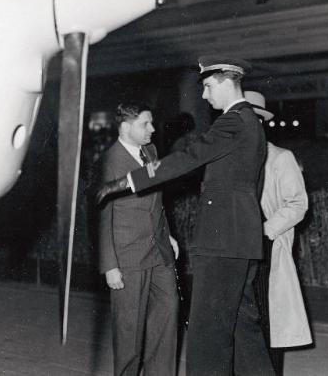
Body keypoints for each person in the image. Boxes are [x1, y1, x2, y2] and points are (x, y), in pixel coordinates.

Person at [97, 56, 274, 376]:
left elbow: (190, 156)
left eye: (207, 87)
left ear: (224, 81)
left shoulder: (233, 121)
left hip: (223, 240)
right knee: (242, 326)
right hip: (241, 237)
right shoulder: (251, 125)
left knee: (209, 331)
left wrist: (127, 181)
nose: (204, 96)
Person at [98, 102, 180, 376]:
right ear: (125, 127)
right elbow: (102, 216)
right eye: (145, 124)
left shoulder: (151, 152)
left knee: (167, 318)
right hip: (128, 257)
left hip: (159, 252)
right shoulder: (108, 162)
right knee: (129, 332)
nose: (152, 129)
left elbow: (158, 202)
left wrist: (168, 236)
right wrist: (110, 265)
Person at [245, 91, 313, 374]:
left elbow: (298, 203)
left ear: (259, 122)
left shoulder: (281, 158)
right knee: (243, 323)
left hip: (266, 249)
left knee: (268, 321)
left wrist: (265, 231)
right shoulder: (233, 160)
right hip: (239, 248)